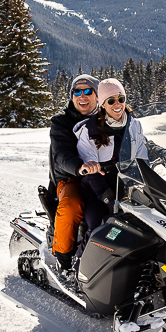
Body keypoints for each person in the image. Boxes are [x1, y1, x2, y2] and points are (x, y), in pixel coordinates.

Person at [75, 78, 148, 238]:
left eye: (121, 99)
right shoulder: (90, 130)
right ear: (102, 104)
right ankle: (80, 261)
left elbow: (144, 154)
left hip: (127, 188)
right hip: (97, 191)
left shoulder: (134, 125)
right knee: (99, 227)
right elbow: (90, 171)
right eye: (111, 100)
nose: (117, 104)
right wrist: (106, 197)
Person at [48, 74, 99, 272]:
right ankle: (64, 258)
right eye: (77, 92)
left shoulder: (106, 118)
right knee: (72, 205)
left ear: (97, 96)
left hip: (104, 177)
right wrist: (80, 166)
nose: (82, 96)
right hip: (71, 178)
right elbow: (61, 155)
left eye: (88, 91)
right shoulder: (61, 122)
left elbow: (133, 140)